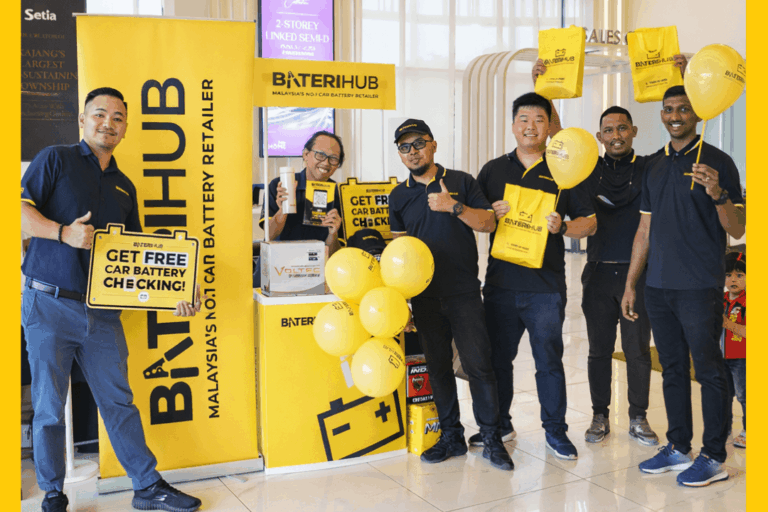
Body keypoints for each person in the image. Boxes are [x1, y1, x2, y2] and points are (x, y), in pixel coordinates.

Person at [21, 88, 203, 512]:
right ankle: (52, 493)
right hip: (48, 305)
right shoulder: (55, 159)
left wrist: (177, 289)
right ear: (83, 120)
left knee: (118, 401)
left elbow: (140, 260)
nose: (109, 122)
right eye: (100, 114)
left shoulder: (124, 186)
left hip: (101, 314)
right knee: (49, 406)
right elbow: (15, 211)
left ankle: (146, 486)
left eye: (118, 117)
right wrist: (63, 232)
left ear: (125, 128)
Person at [621, 85, 745, 487]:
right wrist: (631, 285)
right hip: (658, 286)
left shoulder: (719, 161)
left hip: (698, 286)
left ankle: (713, 456)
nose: (675, 115)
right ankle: (678, 446)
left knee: (708, 370)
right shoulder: (654, 165)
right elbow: (644, 230)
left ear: (697, 113)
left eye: (684, 109)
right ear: (661, 115)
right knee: (672, 368)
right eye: (669, 109)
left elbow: (738, 227)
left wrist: (718, 193)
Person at [474, 92, 596, 460]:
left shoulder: (564, 169)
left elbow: (589, 224)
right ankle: (498, 425)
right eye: (524, 119)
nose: (531, 126)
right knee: (498, 361)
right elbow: (478, 222)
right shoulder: (493, 170)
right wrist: (491, 214)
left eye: (539, 120)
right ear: (513, 126)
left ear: (549, 126)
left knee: (548, 361)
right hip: (500, 285)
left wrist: (563, 226)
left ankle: (555, 431)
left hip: (545, 288)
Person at [388, 118, 514, 471]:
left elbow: (488, 223)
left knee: (479, 366)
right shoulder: (398, 196)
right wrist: (404, 301)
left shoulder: (460, 181)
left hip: (463, 293)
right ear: (399, 154)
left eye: (418, 143)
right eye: (404, 147)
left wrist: (453, 206)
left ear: (433, 145)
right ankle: (451, 437)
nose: (412, 152)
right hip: (425, 298)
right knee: (438, 369)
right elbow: (401, 251)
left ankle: (491, 437)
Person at [574, 104, 658, 446]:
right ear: (599, 137)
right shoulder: (588, 170)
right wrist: (548, 90)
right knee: (598, 350)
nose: (616, 135)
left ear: (634, 131)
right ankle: (599, 415)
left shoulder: (649, 167)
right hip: (597, 275)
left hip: (637, 276)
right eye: (608, 130)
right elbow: (561, 143)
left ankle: (638, 417)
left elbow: (680, 139)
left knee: (637, 351)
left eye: (622, 128)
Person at [259, 130, 344, 254]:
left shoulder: (339, 195)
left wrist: (333, 233)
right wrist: (282, 210)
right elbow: (269, 236)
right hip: (279, 264)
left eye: (334, 158)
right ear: (305, 154)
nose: (326, 163)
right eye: (320, 155)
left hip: (316, 266)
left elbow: (335, 255)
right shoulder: (280, 185)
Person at [722, 251, 746, 449]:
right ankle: (725, 427)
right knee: (723, 394)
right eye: (728, 275)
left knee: (745, 395)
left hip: (742, 358)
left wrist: (727, 324)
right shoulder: (720, 300)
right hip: (720, 357)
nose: (733, 279)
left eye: (740, 275)